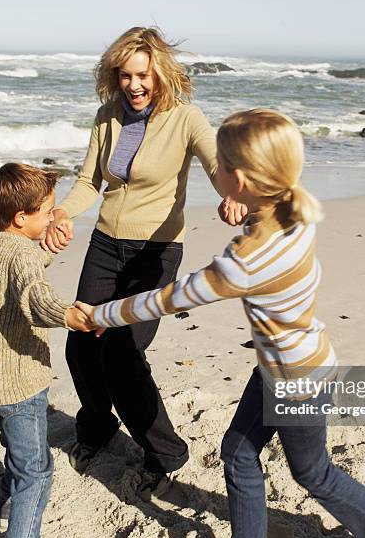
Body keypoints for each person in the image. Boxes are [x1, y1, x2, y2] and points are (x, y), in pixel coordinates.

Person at [76, 109, 365, 538]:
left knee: (313, 474)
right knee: (238, 452)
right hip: (285, 362)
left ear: (239, 179)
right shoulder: (293, 208)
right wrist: (244, 207)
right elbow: (264, 208)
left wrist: (99, 315)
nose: (215, 172)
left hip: (295, 377)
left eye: (220, 167)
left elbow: (172, 297)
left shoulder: (246, 262)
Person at [42, 26, 245, 498]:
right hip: (106, 245)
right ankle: (95, 429)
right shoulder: (107, 116)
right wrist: (60, 213)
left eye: (143, 76)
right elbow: (91, 181)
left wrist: (233, 195)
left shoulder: (187, 118)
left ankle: (165, 453)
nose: (134, 85)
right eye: (125, 75)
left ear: (161, 75)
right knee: (82, 344)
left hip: (155, 252)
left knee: (122, 354)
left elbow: (218, 165)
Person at [0, 163, 92, 538]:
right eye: (48, 212)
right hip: (19, 382)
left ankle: (3, 501)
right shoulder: (20, 255)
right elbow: (34, 296)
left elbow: (19, 274)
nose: (54, 218)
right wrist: (69, 316)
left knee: (14, 449)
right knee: (36, 473)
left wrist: (48, 248)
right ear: (22, 218)